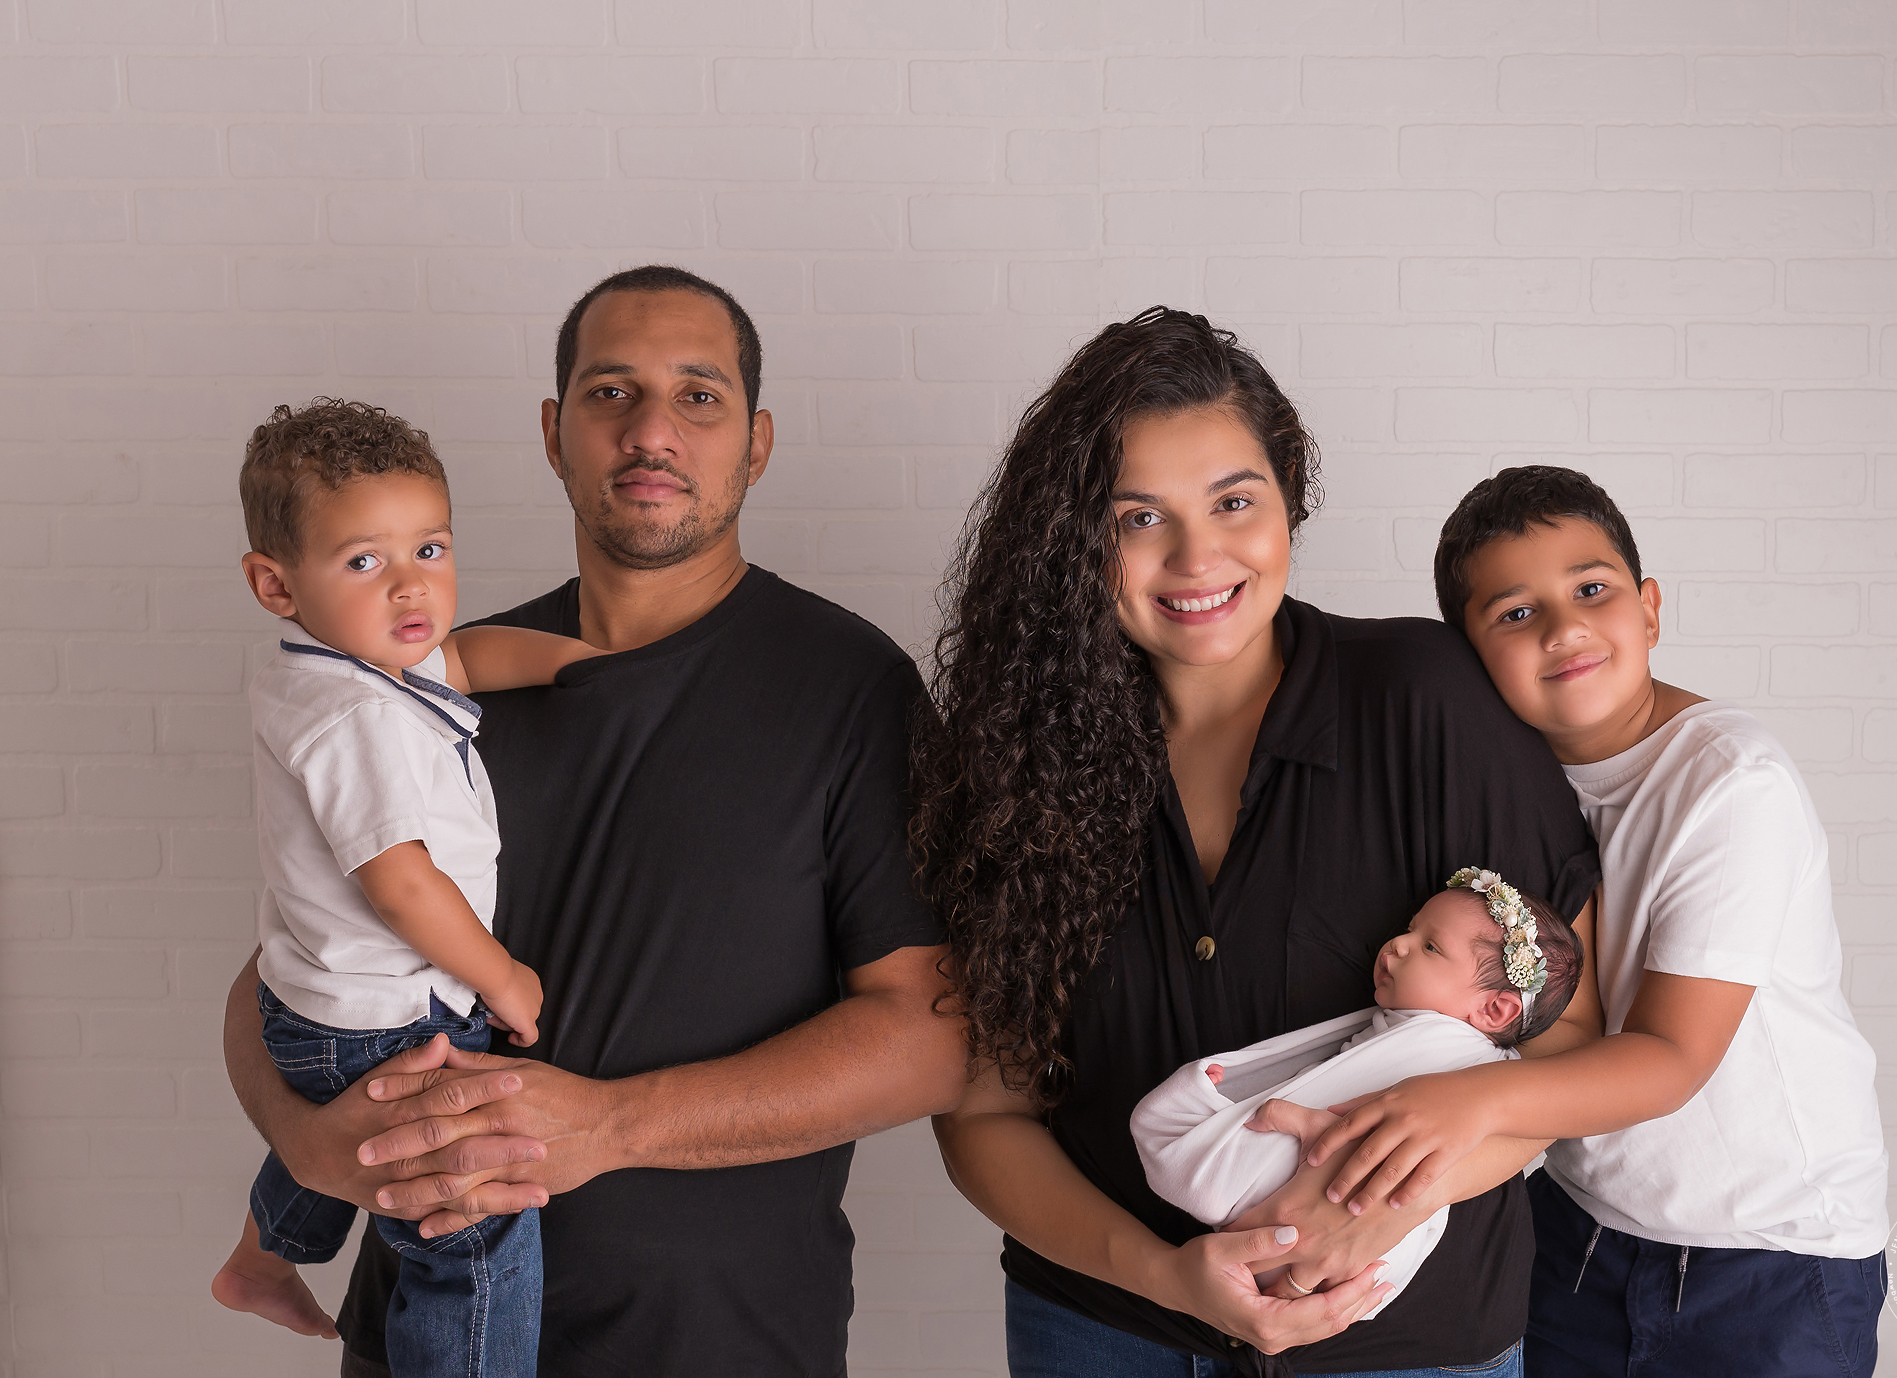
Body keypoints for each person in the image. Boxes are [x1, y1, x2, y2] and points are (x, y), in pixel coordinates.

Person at [219, 265, 968, 1377]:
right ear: (553, 433)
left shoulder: (849, 688)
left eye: (699, 397)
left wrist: (611, 1126)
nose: (652, 430)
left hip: (723, 1346)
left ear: (756, 443)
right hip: (417, 1337)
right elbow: (290, 968)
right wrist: (305, 1140)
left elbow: (932, 1037)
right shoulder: (419, 679)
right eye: (611, 393)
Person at [917, 308, 1603, 1376]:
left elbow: (1565, 1043)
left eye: (1234, 501)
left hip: (1407, 1346)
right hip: (1102, 1328)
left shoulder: (1428, 704)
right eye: (1138, 516)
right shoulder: (1010, 765)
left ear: (1289, 490)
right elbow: (984, 1112)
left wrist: (1373, 1210)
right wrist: (1163, 1273)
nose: (1199, 555)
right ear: (1075, 535)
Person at [1303, 465, 1889, 1376]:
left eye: (1591, 589)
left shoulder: (1730, 784)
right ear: (1470, 655)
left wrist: (1459, 1103)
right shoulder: (1506, 785)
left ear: (1649, 609)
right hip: (1581, 1229)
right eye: (1514, 612)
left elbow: (1671, 1058)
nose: (1565, 626)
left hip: (1771, 1256)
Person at [211, 399, 600, 1375]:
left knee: (355, 1131)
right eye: (363, 561)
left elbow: (462, 654)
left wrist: (583, 667)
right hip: (392, 1006)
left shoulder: (336, 662)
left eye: (430, 548)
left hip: (318, 1003)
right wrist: (503, 977)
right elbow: (403, 886)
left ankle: (262, 1258)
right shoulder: (355, 718)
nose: (409, 586)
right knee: (469, 1232)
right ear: (274, 581)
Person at [1130, 873, 1582, 1323]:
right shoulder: (1440, 1043)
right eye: (1410, 928)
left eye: (1430, 946)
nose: (1397, 944)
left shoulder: (1443, 1048)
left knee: (1175, 1139)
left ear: (1494, 1009)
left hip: (1336, 1206)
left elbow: (1330, 1099)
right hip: (1354, 1267)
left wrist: (1229, 1096)